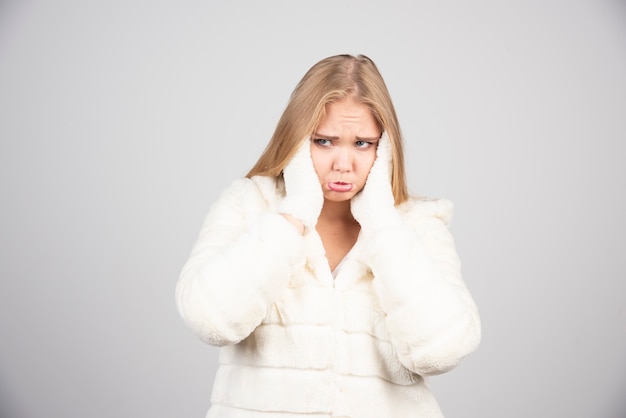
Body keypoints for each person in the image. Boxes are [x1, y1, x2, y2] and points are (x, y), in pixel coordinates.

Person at [176, 54, 481, 417]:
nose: (343, 163)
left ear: (385, 148)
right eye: (323, 141)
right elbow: (211, 321)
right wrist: (296, 212)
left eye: (362, 144)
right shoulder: (249, 206)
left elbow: (443, 350)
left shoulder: (417, 225)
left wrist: (383, 224)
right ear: (297, 139)